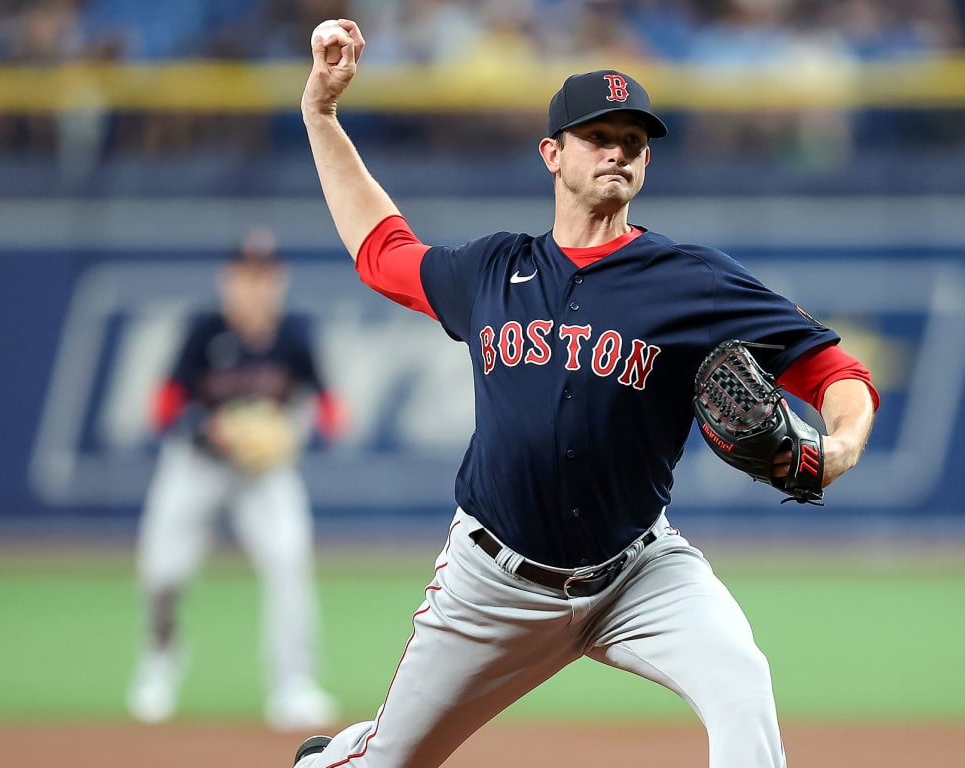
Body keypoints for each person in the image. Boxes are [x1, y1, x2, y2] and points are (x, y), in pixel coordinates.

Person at [293, 18, 879, 768]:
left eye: (632, 140)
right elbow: (382, 251)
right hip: (493, 581)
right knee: (386, 762)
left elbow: (838, 373)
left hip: (638, 570)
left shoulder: (692, 281)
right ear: (552, 154)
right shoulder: (490, 271)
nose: (617, 150)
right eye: (597, 135)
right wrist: (320, 115)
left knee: (740, 678)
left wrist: (836, 448)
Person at [127, 226, 347, 732]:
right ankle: (160, 660)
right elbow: (162, 409)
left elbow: (333, 412)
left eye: (265, 276)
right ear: (227, 281)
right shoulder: (203, 332)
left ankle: (293, 684)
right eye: (247, 276)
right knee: (162, 573)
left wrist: (295, 435)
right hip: (196, 466)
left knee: (290, 561)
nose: (256, 286)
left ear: (280, 281)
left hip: (264, 473)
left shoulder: (295, 335)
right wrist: (209, 428)